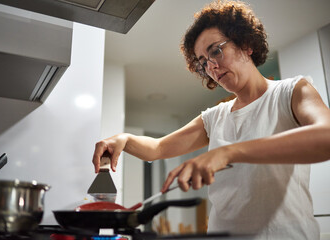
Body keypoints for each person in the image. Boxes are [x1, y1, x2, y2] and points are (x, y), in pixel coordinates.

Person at [92, 1, 330, 239]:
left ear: (245, 44)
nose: (212, 66)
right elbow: (159, 147)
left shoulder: (291, 92)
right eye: (203, 62)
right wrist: (125, 139)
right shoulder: (215, 117)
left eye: (216, 50)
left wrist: (227, 153)